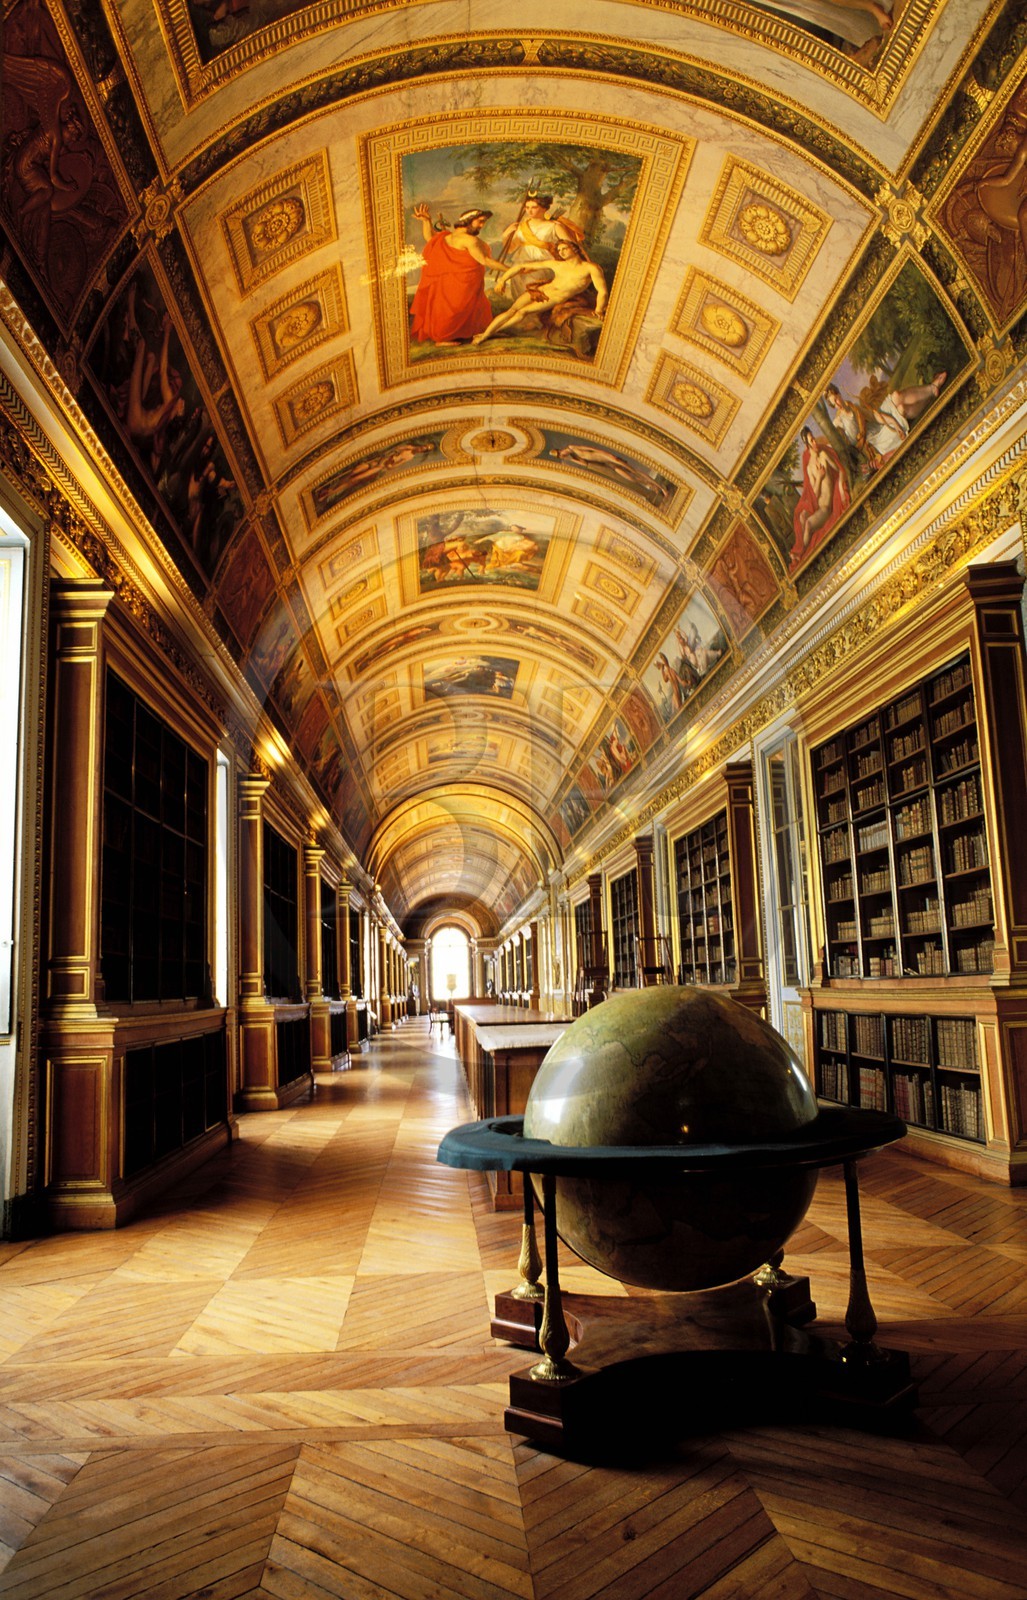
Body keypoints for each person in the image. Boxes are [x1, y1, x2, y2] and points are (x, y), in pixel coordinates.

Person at [471, 240, 607, 345]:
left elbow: (602, 291)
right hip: (539, 291)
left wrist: (599, 310)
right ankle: (486, 334)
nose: (561, 252)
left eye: (565, 248)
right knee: (512, 310)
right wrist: (503, 280)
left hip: (553, 297)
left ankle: (487, 335)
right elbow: (521, 266)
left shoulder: (591, 268)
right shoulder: (556, 264)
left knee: (522, 313)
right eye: (559, 250)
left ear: (575, 249)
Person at [409, 203, 504, 345]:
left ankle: (482, 331)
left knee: (474, 307)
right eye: (480, 221)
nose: (482, 225)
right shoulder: (470, 240)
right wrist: (511, 269)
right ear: (469, 220)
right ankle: (442, 338)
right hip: (460, 282)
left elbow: (430, 238)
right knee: (455, 308)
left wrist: (426, 221)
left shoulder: (448, 236)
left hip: (465, 281)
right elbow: (485, 261)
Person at [498, 193, 583, 300]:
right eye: (527, 207)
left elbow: (571, 246)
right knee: (519, 299)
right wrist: (506, 235)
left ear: (544, 209)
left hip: (543, 267)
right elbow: (510, 250)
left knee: (535, 298)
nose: (529, 211)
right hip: (520, 268)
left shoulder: (554, 226)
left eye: (534, 207)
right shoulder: (521, 227)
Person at [791, 426, 850, 565]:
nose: (815, 443)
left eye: (814, 439)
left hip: (826, 508)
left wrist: (841, 490)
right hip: (819, 506)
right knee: (802, 517)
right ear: (807, 444)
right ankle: (800, 551)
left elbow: (840, 471)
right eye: (812, 441)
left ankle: (801, 554)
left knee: (809, 524)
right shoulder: (809, 467)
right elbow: (815, 493)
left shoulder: (823, 456)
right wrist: (819, 477)